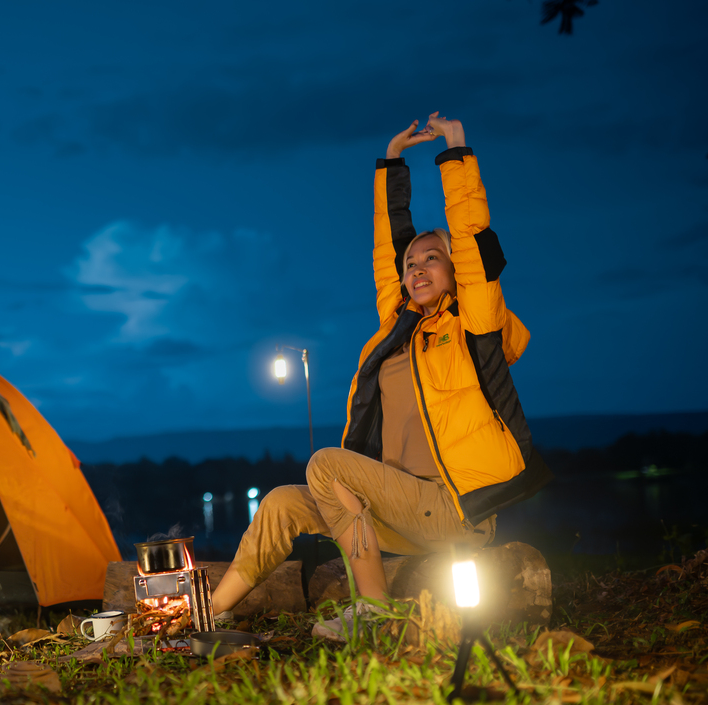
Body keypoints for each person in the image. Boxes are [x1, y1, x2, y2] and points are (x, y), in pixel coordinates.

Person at [211, 113, 552, 640]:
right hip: (397, 510)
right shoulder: (396, 330)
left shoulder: (473, 326)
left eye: (432, 259)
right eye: (411, 264)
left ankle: (373, 612)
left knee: (326, 463)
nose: (416, 268)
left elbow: (472, 238)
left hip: (454, 508)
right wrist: (392, 161)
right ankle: (208, 614)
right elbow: (386, 247)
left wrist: (455, 151)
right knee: (281, 502)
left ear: (455, 271)